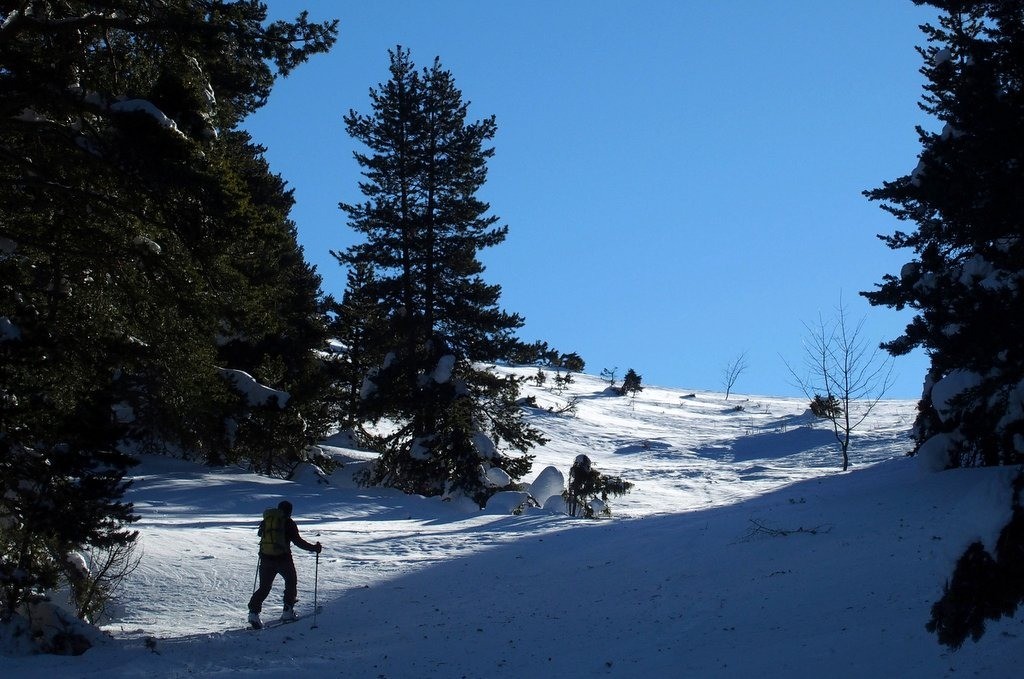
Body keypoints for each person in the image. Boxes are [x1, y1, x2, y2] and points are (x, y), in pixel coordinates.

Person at [247, 500, 322, 628]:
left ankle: (253, 613)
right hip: (283, 559)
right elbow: (298, 541)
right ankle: (288, 611)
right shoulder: (288, 522)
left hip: (266, 559)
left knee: (264, 587)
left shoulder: (268, 520)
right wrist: (314, 548)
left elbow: (260, 534)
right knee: (291, 582)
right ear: (290, 511)